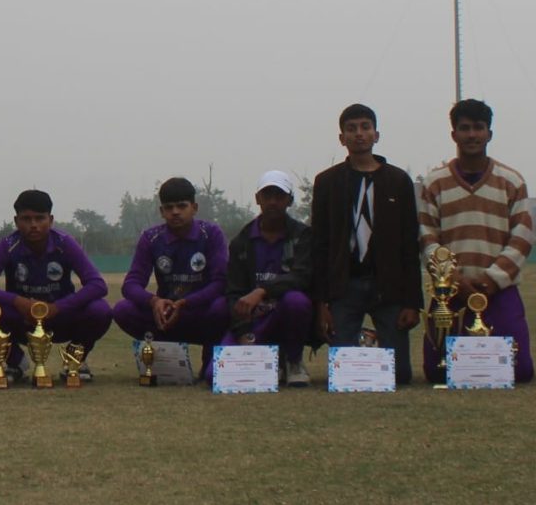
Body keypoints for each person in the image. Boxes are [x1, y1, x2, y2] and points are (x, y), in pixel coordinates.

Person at [417, 100, 536, 384]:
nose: (472, 135)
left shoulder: (511, 181)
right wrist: (453, 280)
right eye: (465, 128)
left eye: (479, 128)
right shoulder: (435, 183)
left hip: (498, 290)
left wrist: (494, 279)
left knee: (519, 371)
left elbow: (522, 236)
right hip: (450, 294)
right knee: (438, 372)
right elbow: (427, 236)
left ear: (489, 134)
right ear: (454, 134)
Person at [311, 105, 421, 385]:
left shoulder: (398, 181)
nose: (359, 134)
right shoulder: (327, 182)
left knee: (400, 376)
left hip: (389, 286)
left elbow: (410, 244)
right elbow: (320, 243)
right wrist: (321, 302)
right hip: (344, 285)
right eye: (352, 128)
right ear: (341, 138)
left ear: (376, 134)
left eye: (365, 127)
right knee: (344, 374)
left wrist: (412, 302)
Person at [0, 188, 112, 378]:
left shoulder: (65, 243)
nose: (33, 225)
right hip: (22, 320)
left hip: (60, 318)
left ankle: (75, 361)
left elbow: (98, 285)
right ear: (16, 221)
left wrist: (58, 307)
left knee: (100, 310)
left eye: (40, 218)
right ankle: (15, 362)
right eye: (26, 219)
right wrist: (18, 302)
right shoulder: (8, 245)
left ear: (50, 220)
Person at [114, 178, 233, 378]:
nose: (175, 212)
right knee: (122, 310)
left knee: (222, 306)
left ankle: (209, 362)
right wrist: (154, 301)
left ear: (194, 207)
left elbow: (221, 282)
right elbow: (131, 285)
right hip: (167, 316)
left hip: (201, 312)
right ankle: (165, 360)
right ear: (162, 212)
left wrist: (186, 303)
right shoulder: (151, 238)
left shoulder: (211, 234)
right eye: (169, 207)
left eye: (182, 206)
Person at [225, 170, 315, 384]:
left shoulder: (302, 236)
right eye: (267, 196)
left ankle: (293, 361)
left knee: (297, 300)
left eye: (280, 196)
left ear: (289, 200)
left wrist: (262, 290)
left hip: (288, 316)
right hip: (255, 321)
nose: (273, 202)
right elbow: (233, 292)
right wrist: (243, 333)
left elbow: (302, 277)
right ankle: (268, 357)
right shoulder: (242, 241)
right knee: (215, 375)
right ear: (257, 199)